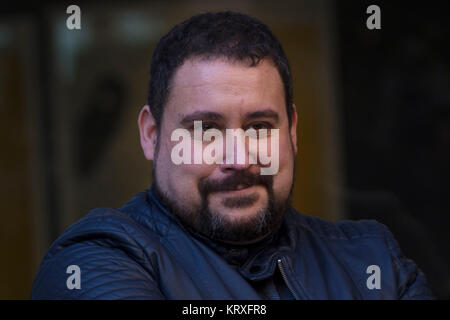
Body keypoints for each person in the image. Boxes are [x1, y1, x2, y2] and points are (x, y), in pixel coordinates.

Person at [31, 11, 433, 299]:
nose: (240, 159)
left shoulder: (371, 259)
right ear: (152, 135)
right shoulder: (95, 261)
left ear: (291, 130)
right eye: (206, 130)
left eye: (260, 127)